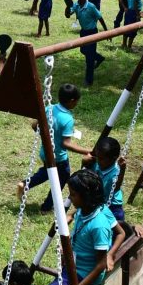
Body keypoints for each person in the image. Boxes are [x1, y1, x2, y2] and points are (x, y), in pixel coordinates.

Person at [17, 83, 89, 212]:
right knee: (61, 178)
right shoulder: (67, 119)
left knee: (47, 172)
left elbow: (35, 125)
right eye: (77, 101)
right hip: (58, 156)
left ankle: (25, 184)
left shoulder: (49, 108)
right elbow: (65, 144)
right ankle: (46, 207)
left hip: (45, 152)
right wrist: (88, 151)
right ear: (72, 101)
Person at [85, 136, 128, 222]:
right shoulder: (96, 164)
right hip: (98, 203)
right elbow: (84, 177)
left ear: (114, 158)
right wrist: (85, 163)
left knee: (116, 228)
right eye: (97, 157)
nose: (98, 160)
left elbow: (116, 188)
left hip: (113, 206)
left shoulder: (116, 170)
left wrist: (122, 169)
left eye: (101, 159)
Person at [74, 0, 108, 85]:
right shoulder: (76, 4)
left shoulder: (91, 6)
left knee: (89, 59)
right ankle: (99, 58)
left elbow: (100, 18)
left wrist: (106, 32)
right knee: (83, 50)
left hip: (92, 33)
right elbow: (68, 14)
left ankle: (89, 80)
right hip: (83, 32)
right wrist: (67, 9)